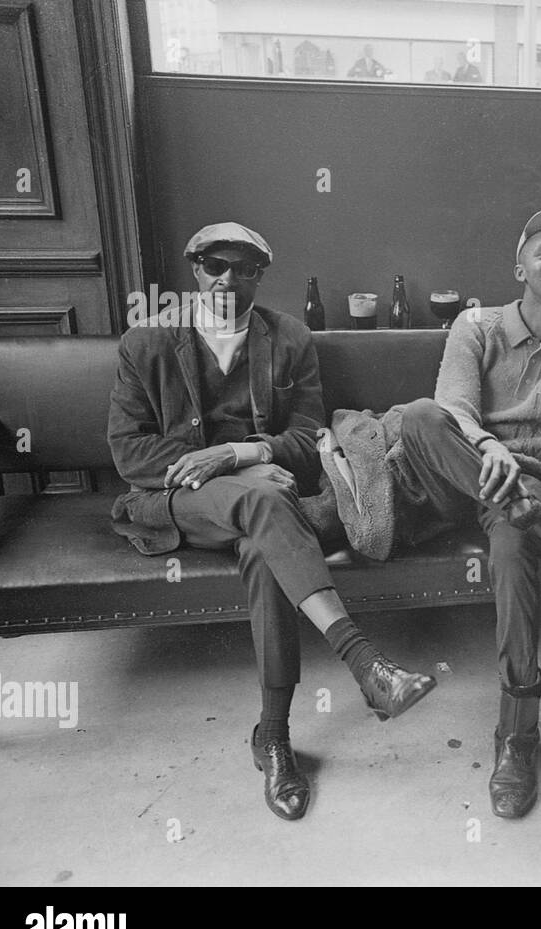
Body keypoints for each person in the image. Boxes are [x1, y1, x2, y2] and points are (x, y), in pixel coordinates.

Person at [107, 222, 435, 822]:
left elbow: (310, 439)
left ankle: (274, 735)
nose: (228, 278)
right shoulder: (146, 341)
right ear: (194, 268)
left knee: (263, 541)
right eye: (214, 265)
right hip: (171, 502)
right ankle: (365, 663)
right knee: (263, 505)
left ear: (261, 274)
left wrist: (241, 454)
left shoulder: (288, 337)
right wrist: (229, 476)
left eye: (245, 267)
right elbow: (131, 454)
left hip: (263, 499)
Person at [391, 209, 541, 819]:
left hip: (525, 494)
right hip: (458, 475)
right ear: (518, 266)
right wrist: (490, 448)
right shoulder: (476, 325)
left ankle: (517, 737)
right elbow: (452, 409)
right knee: (419, 415)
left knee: (514, 540)